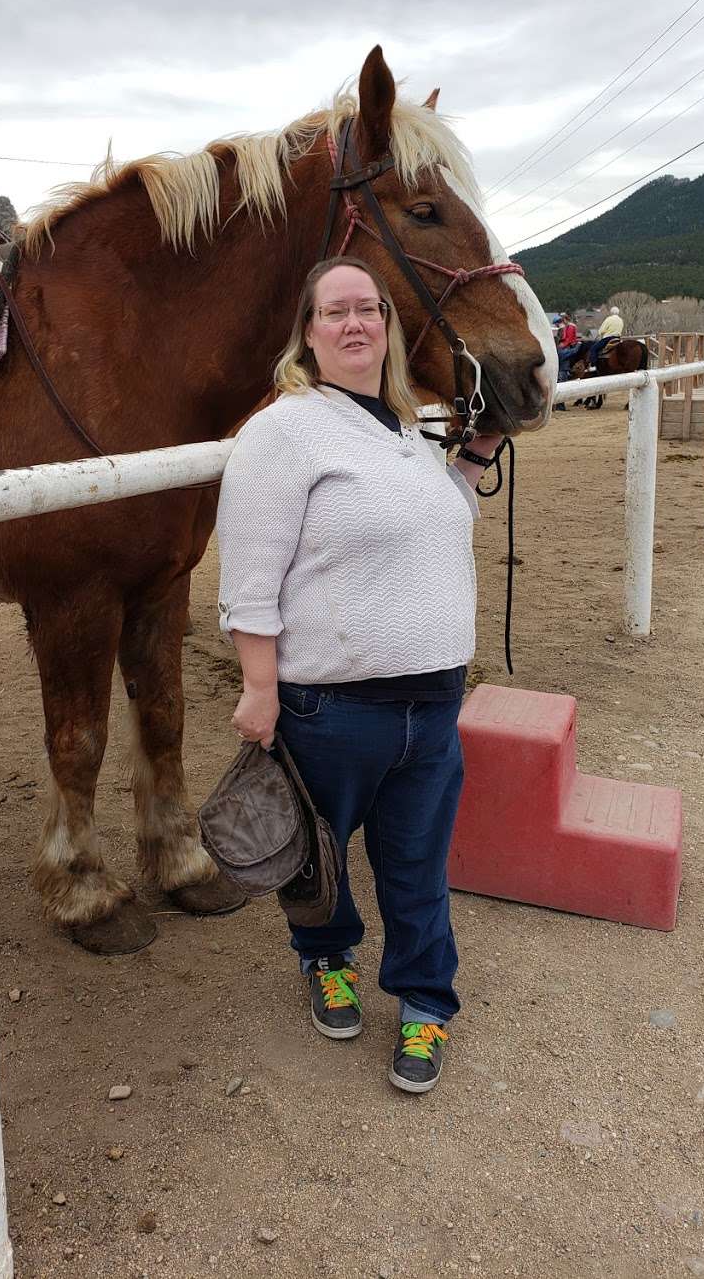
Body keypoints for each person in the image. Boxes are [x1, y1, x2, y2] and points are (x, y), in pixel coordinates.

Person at [215, 255, 506, 1094]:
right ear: (307, 334)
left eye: (369, 309)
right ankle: (325, 955)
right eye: (335, 311)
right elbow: (250, 579)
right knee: (320, 858)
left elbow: (433, 523)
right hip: (330, 704)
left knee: (418, 862)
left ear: (388, 323)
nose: (355, 323)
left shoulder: (407, 430)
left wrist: (474, 458)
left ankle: (424, 1000)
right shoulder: (283, 430)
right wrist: (259, 687)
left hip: (433, 703)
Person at [554, 312, 579, 410]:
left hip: (568, 345)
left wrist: (562, 345)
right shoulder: (566, 326)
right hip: (567, 346)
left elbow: (568, 339)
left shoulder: (570, 327)